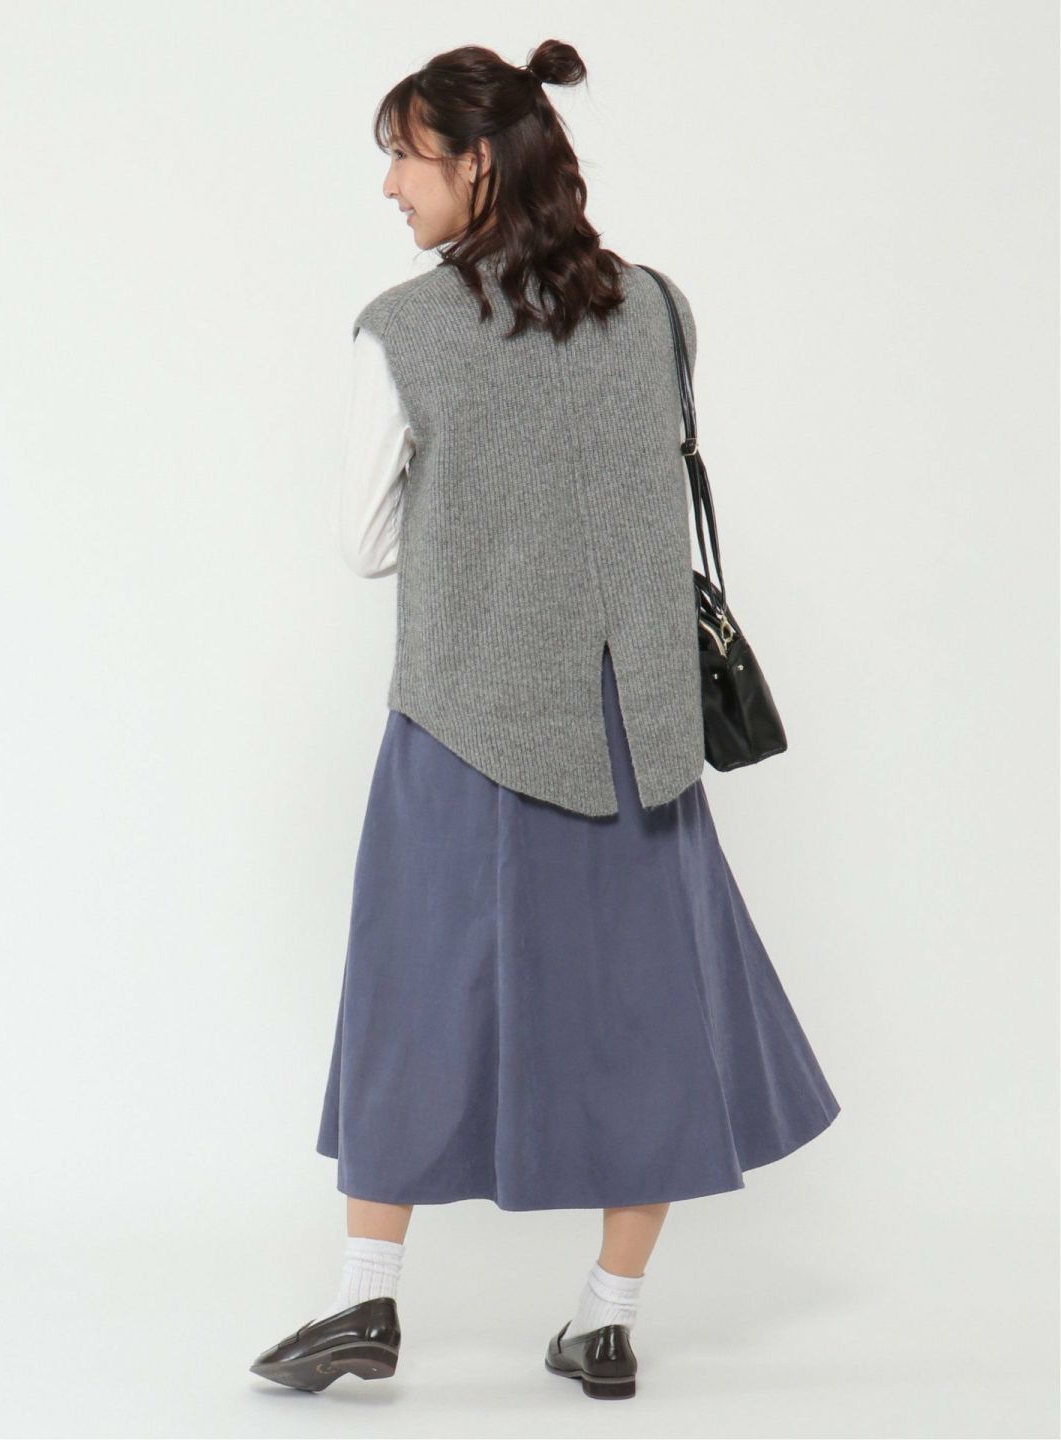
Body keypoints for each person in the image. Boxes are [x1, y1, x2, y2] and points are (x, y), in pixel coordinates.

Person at [249, 39, 841, 1402]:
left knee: (411, 992)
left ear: (475, 163)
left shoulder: (403, 330)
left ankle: (366, 1300)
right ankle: (608, 1319)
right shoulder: (662, 309)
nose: (390, 188)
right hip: (638, 723)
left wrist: (477, 512)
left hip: (464, 712)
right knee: (649, 1015)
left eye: (404, 158)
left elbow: (363, 544)